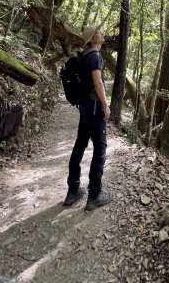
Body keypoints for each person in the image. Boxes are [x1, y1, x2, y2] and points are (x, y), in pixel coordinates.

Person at [63, 25, 113, 211]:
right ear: (93, 38)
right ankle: (94, 195)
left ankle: (73, 190)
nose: (102, 33)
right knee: (100, 149)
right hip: (94, 107)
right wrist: (106, 106)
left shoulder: (84, 56)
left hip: (85, 107)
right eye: (98, 32)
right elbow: (98, 82)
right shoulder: (95, 56)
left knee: (80, 144)